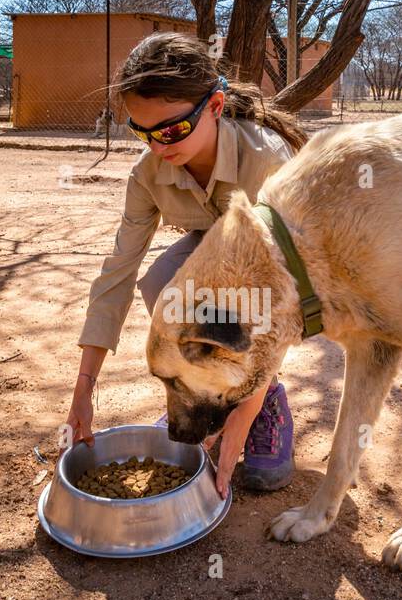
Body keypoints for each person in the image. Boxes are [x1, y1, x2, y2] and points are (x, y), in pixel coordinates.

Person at [64, 32, 307, 498]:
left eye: (172, 131)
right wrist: (83, 389)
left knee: (245, 305)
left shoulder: (266, 159)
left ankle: (263, 400)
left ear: (214, 106)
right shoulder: (149, 172)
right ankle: (204, 395)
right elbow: (118, 272)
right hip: (221, 245)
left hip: (290, 270)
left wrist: (243, 414)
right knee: (162, 283)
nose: (158, 147)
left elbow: (283, 302)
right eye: (143, 132)